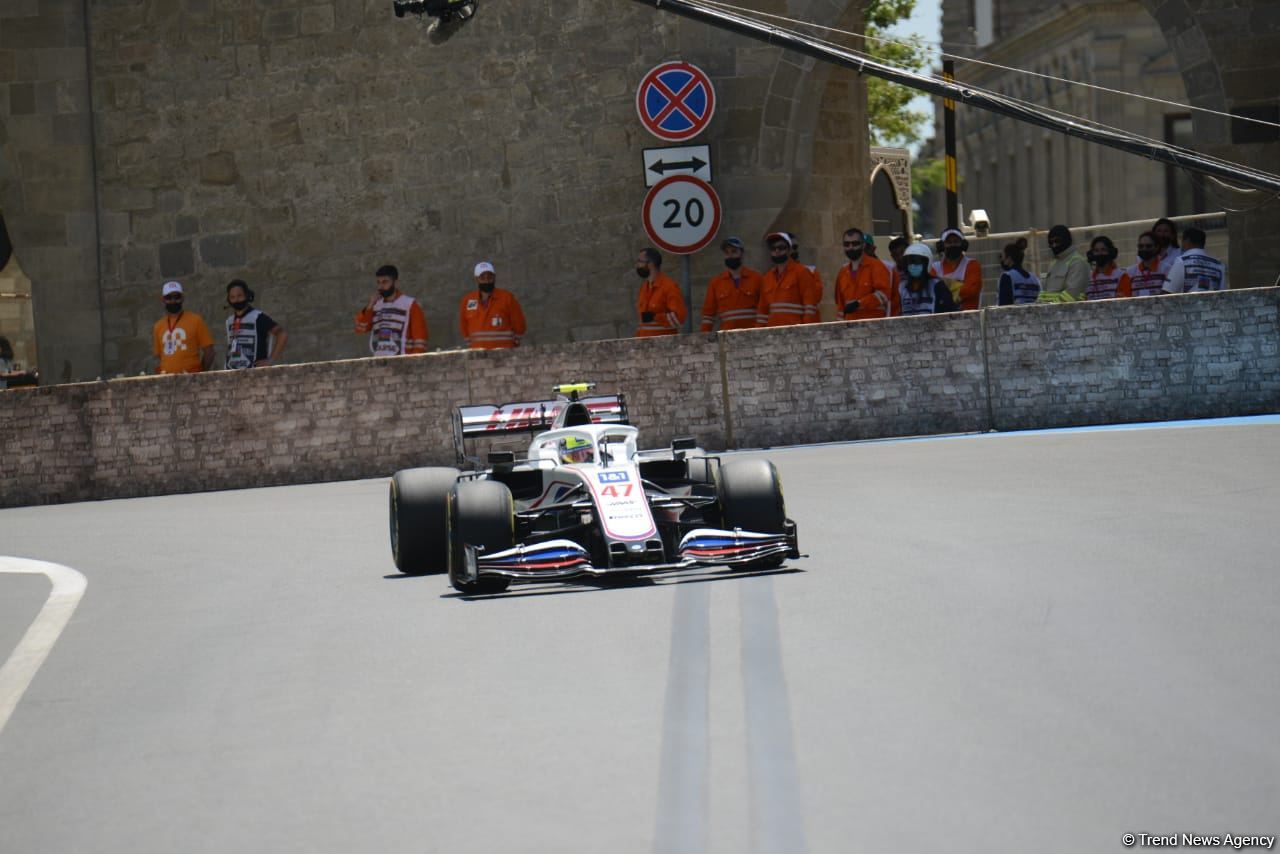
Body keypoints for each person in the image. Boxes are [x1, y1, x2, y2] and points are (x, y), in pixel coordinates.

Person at [355, 264, 428, 356]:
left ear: (396, 283)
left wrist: (414, 361)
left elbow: (420, 339)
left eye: (385, 282)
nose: (380, 286)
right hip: (379, 361)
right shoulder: (375, 305)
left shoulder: (410, 304)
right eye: (378, 282)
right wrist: (369, 306)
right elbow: (360, 328)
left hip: (403, 361)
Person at [700, 237, 763, 332]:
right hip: (727, 337)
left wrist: (760, 332)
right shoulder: (716, 283)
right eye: (727, 252)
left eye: (734, 251)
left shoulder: (757, 279)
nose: (730, 255)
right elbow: (708, 315)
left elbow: (764, 310)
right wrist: (703, 339)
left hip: (752, 336)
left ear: (742, 253)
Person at [459, 261, 526, 349]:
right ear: (476, 279)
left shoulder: (507, 298)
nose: (486, 280)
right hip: (477, 354)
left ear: (494, 277)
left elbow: (519, 325)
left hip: (504, 352)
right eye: (482, 277)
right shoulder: (467, 300)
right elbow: (464, 326)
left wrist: (514, 342)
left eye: (489, 277)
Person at [152, 281, 214, 374]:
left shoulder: (196, 320)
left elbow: (209, 352)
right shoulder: (158, 326)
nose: (173, 301)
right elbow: (159, 356)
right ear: (163, 300)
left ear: (182, 298)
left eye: (176, 297)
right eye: (169, 297)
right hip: (166, 379)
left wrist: (201, 374)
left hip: (191, 378)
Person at [224, 280, 287, 369]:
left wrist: (271, 360)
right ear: (229, 299)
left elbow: (282, 334)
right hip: (232, 373)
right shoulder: (229, 321)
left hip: (255, 373)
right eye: (232, 297)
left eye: (239, 296)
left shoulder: (258, 317)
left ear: (246, 295)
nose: (236, 300)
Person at [833, 227, 892, 320]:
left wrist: (859, 304)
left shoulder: (876, 266)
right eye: (847, 244)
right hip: (850, 327)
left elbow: (884, 294)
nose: (850, 247)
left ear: (863, 245)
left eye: (855, 243)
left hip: (873, 325)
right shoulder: (843, 272)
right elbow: (841, 306)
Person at [757, 233, 812, 326]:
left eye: (781, 247)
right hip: (772, 333)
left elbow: (810, 308)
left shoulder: (802, 272)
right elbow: (762, 312)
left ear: (789, 250)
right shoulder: (766, 278)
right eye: (773, 248)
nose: (777, 251)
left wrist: (808, 333)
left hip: (795, 333)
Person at [634, 247, 686, 337]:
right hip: (645, 345)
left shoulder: (669, 287)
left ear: (650, 264)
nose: (637, 265)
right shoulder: (644, 287)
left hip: (665, 346)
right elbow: (642, 325)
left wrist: (656, 317)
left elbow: (679, 318)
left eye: (640, 261)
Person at [930, 227, 983, 310]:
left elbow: (971, 291)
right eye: (949, 242)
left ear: (963, 244)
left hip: (969, 317)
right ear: (942, 246)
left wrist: (945, 289)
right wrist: (959, 288)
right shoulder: (935, 268)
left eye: (956, 241)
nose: (952, 245)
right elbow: (931, 292)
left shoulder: (972, 265)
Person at [898, 243, 958, 315]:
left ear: (927, 264)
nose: (913, 265)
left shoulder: (937, 286)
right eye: (910, 262)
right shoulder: (901, 288)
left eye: (917, 262)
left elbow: (949, 313)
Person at [1163, 227, 1227, 293]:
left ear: (1187, 241)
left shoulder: (1182, 261)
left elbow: (1168, 291)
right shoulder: (1219, 265)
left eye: (1182, 241)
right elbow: (1223, 295)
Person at [1038, 224, 1089, 303]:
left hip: (1069, 313)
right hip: (1049, 312)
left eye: (1057, 241)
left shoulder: (1078, 263)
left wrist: (1050, 308)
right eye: (1051, 242)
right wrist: (1039, 306)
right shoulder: (1053, 263)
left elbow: (1072, 294)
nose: (1054, 245)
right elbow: (1044, 290)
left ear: (1066, 240)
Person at [785, 233, 825, 322]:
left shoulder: (810, 271)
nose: (793, 251)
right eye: (790, 247)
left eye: (794, 247)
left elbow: (816, 297)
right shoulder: (773, 276)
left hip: (808, 325)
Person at [1128, 232, 1168, 296]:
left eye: (1148, 246)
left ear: (1157, 247)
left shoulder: (1167, 269)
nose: (1144, 249)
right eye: (1141, 246)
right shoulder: (1130, 272)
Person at [886, 235, 909, 316]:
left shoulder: (918, 270)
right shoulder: (890, 274)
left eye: (902, 252)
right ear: (892, 256)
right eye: (896, 254)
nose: (900, 257)